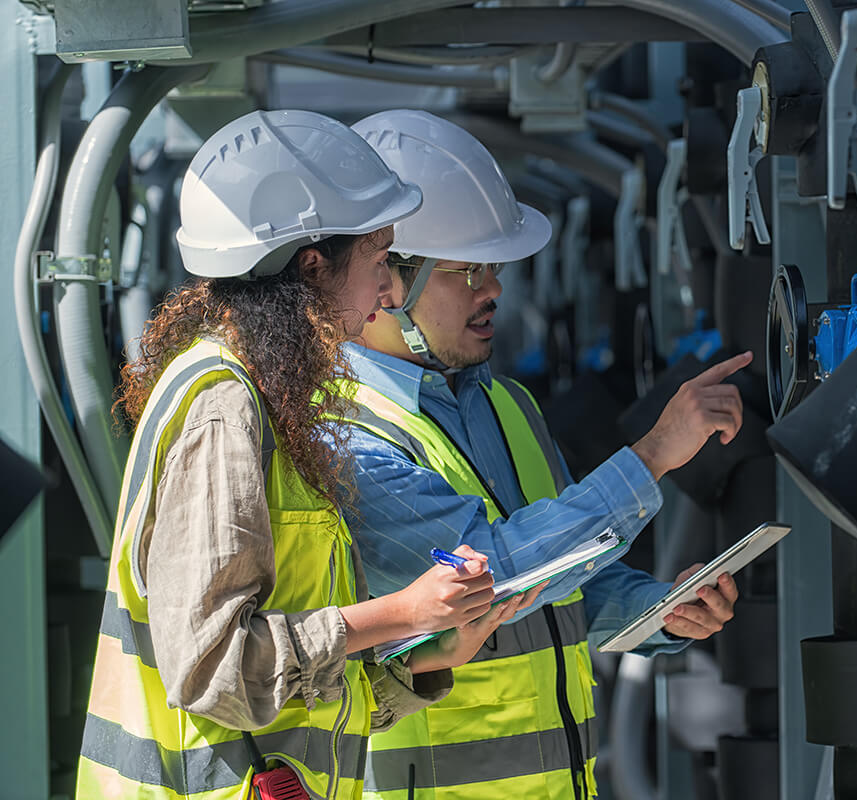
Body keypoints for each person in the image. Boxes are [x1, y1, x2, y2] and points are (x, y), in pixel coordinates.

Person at [76, 109, 542, 800]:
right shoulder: (223, 406)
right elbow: (214, 672)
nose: (388, 293)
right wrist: (403, 614)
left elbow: (298, 700)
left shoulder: (269, 398)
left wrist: (421, 664)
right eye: (380, 262)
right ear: (312, 267)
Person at [338, 109, 750, 800]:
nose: (493, 289)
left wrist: (655, 609)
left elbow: (562, 585)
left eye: (493, 268)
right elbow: (489, 578)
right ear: (387, 287)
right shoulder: (345, 431)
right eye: (466, 272)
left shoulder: (508, 405)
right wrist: (649, 457)